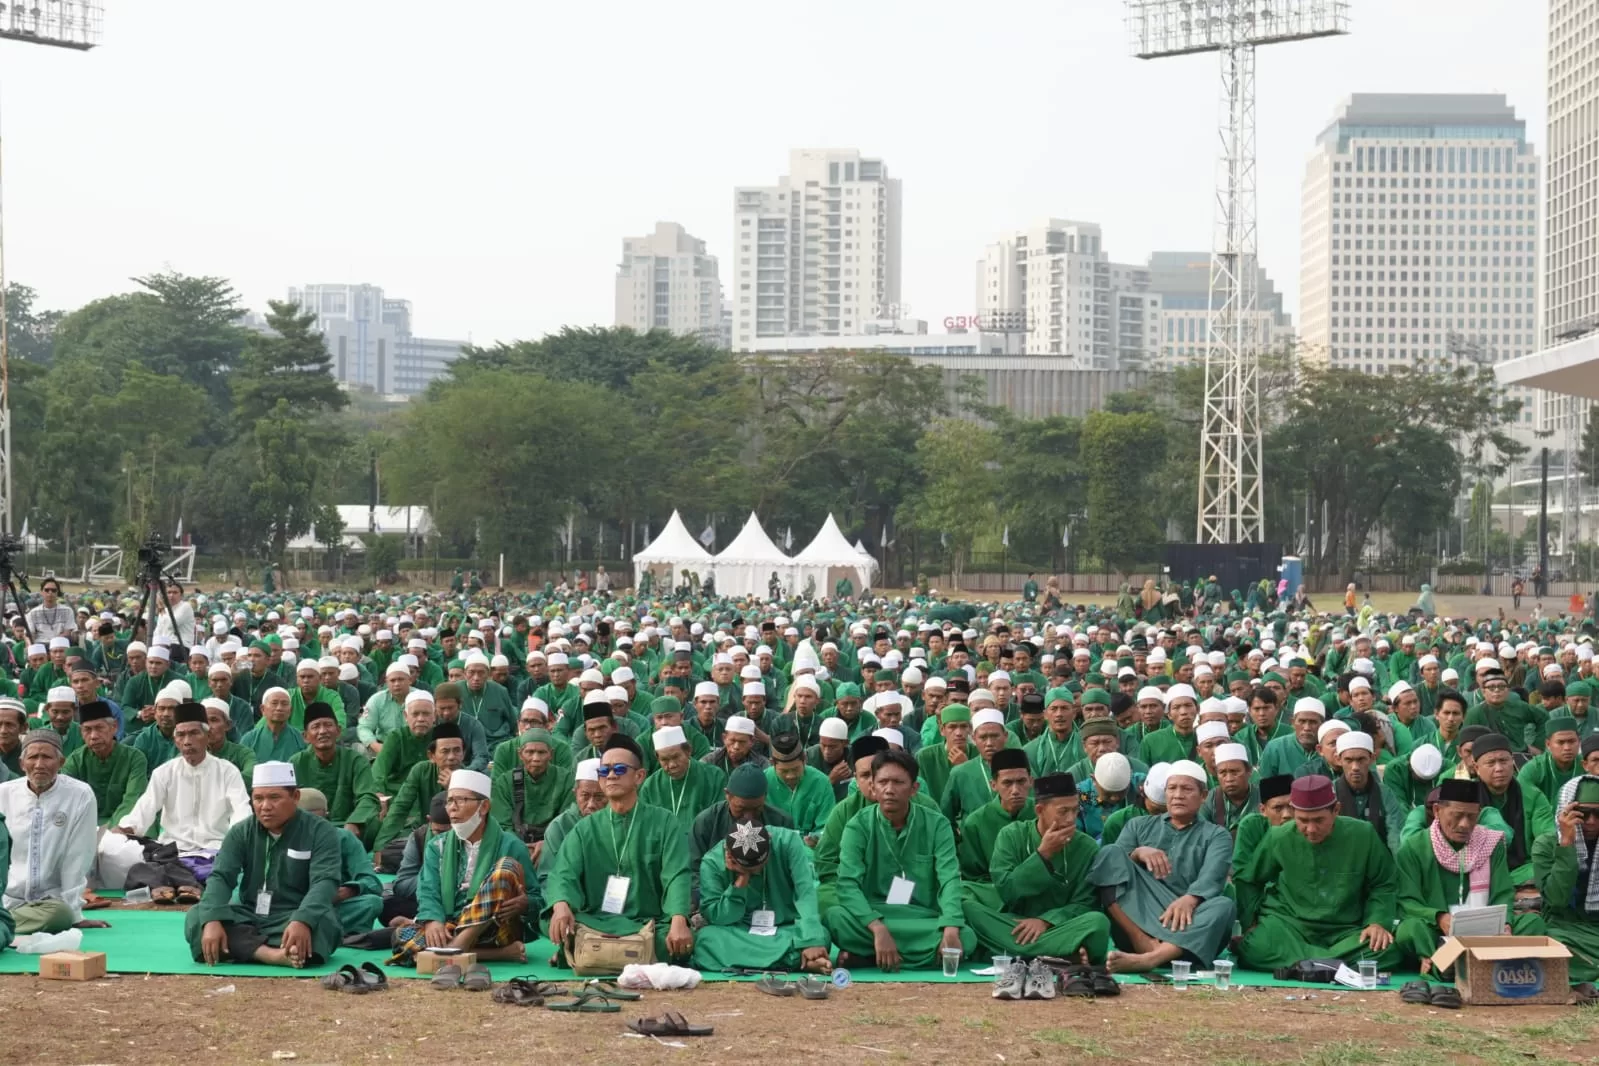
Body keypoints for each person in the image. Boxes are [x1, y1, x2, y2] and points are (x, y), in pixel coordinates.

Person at [545, 736, 695, 963]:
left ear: (639, 776)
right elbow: (564, 873)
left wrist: (678, 919)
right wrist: (561, 905)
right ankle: (629, 954)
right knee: (555, 921)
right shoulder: (584, 828)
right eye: (604, 771)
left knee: (675, 941)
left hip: (648, 922)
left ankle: (585, 953)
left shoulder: (665, 822)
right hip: (597, 919)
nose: (611, 775)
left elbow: (677, 875)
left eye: (619, 769)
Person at [825, 749, 975, 971]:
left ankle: (873, 956)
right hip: (874, 913)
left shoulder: (937, 824)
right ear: (873, 787)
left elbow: (949, 879)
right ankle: (918, 957)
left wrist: (951, 927)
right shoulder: (858, 825)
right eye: (883, 782)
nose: (889, 790)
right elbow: (847, 884)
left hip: (923, 916)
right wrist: (877, 928)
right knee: (835, 918)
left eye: (898, 782)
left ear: (914, 788)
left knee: (966, 936)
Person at [1235, 774, 1402, 971]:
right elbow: (1249, 880)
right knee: (1256, 946)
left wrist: (1376, 922)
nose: (1311, 829)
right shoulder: (1279, 836)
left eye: (1318, 820)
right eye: (1303, 820)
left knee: (1389, 950)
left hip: (1345, 929)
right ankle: (1334, 965)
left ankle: (1306, 964)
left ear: (1336, 810)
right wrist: (1251, 923)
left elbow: (1383, 883)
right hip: (1290, 924)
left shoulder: (1363, 834)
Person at [186, 761, 344, 969]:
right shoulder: (241, 831)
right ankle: (272, 954)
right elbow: (221, 877)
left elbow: (325, 881)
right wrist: (212, 919)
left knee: (325, 923)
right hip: (249, 914)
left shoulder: (320, 831)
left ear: (295, 797)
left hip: (292, 915)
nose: (265, 806)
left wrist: (303, 919)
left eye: (274, 798)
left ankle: (241, 948)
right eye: (258, 798)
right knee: (198, 916)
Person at [1088, 760, 1235, 972]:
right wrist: (1137, 853)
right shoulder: (1138, 826)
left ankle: (1151, 959)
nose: (1178, 795)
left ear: (1203, 796)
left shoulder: (1217, 835)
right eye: (1172, 788)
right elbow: (1110, 869)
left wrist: (1191, 899)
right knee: (1111, 853)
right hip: (1138, 920)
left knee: (1223, 905)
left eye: (1187, 789)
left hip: (1187, 922)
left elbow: (1213, 876)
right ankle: (1142, 943)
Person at [1394, 778, 1545, 972]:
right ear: (1438, 811)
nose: (1465, 824)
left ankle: (1444, 965)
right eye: (1457, 816)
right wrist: (1439, 917)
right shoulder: (1414, 848)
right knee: (1410, 929)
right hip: (1437, 931)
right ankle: (1460, 961)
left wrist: (1506, 924)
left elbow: (1502, 892)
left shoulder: (1491, 843)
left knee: (1533, 923)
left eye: (1472, 816)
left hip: (1487, 931)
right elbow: (1407, 901)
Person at [964, 771, 1111, 964]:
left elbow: (1085, 903)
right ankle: (1057, 954)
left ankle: (1009, 951)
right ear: (1040, 810)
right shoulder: (1011, 835)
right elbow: (1007, 890)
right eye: (1063, 811)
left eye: (1075, 811)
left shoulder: (1087, 847)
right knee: (965, 904)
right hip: (1013, 923)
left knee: (1098, 923)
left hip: (1059, 926)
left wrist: (1045, 921)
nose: (1070, 819)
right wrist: (1043, 855)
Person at [108, 701, 252, 900]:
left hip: (212, 851)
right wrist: (126, 828)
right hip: (171, 851)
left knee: (218, 870)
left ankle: (167, 884)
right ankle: (187, 884)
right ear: (175, 740)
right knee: (138, 866)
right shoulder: (164, 772)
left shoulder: (227, 771)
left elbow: (242, 810)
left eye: (194, 733)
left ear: (208, 736)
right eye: (181, 735)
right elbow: (146, 807)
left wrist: (235, 842)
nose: (187, 741)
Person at [394, 768, 536, 963]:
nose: (452, 807)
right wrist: (433, 920)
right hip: (450, 924)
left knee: (505, 868)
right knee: (401, 938)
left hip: (495, 927)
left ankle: (457, 947)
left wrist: (525, 903)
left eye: (461, 800)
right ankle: (498, 954)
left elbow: (536, 896)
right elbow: (428, 889)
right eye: (450, 801)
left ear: (484, 807)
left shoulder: (511, 845)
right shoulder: (437, 846)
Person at [693, 820, 831, 974]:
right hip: (739, 931)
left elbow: (805, 893)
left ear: (770, 842)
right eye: (750, 868)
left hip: (784, 929)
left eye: (761, 864)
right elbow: (719, 918)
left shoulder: (788, 842)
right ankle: (797, 960)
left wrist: (811, 939)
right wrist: (741, 880)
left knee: (821, 935)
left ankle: (785, 958)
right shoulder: (712, 862)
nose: (757, 871)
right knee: (705, 940)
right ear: (728, 854)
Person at [0, 729, 100, 934]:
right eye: (33, 757)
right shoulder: (4, 794)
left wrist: (74, 913)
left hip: (49, 903)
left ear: (61, 762)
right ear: (21, 764)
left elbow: (78, 857)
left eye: (46, 757)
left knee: (60, 916)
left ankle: (6, 927)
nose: (39, 765)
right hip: (6, 899)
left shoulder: (80, 795)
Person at [1532, 774, 1599, 984]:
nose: (1591, 821)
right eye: (1583, 813)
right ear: (1565, 811)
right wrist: (1567, 842)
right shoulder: (1546, 845)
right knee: (1544, 941)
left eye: (1598, 814)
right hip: (1564, 928)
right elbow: (1556, 899)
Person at [296, 787, 384, 935]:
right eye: (306, 821)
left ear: (327, 816)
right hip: (295, 907)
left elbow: (372, 882)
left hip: (332, 906)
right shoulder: (284, 838)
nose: (313, 827)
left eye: (318, 821)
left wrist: (348, 891)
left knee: (372, 903)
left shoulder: (344, 839)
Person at [1471, 732, 1555, 884]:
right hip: (1480, 868)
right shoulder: (1465, 797)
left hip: (1524, 868)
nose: (1499, 768)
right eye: (1491, 763)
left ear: (1513, 762)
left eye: (1504, 761)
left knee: (1551, 866)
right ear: (1477, 768)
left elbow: (1546, 834)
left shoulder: (1532, 795)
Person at [289, 702, 380, 840]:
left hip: (347, 826)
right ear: (305, 736)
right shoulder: (296, 762)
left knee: (375, 823)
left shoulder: (355, 759)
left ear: (338, 731)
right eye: (316, 726)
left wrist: (354, 822)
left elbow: (367, 796)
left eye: (328, 725)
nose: (323, 731)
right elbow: (287, 800)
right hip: (308, 829)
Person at [488, 728, 573, 863]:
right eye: (530, 752)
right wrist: (519, 847)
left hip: (555, 845)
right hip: (513, 846)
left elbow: (569, 819)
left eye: (541, 752)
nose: (536, 758)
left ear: (551, 754)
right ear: (520, 754)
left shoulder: (566, 779)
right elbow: (501, 824)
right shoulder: (505, 781)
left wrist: (547, 844)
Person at [62, 700, 148, 828]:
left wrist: (111, 830)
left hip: (124, 823)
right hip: (85, 825)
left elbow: (132, 800)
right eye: (87, 730)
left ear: (114, 727)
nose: (93, 736)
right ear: (81, 732)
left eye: (99, 728)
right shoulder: (74, 761)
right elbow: (67, 801)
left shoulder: (134, 758)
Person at [639, 725, 727, 837]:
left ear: (688, 751)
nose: (672, 765)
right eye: (664, 760)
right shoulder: (650, 786)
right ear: (657, 757)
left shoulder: (714, 776)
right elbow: (647, 827)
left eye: (676, 757)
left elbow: (720, 820)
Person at [764, 730, 837, 845]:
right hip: (773, 845)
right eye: (784, 771)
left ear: (804, 760)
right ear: (772, 763)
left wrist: (816, 838)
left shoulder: (821, 782)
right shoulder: (764, 781)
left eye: (795, 769)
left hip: (809, 848)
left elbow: (827, 826)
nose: (791, 776)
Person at [24, 578, 75, 644]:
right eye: (47, 590)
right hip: (40, 645)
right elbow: (30, 634)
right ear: (41, 592)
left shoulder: (68, 611)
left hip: (60, 645)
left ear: (57, 592)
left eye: (53, 590)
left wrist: (53, 643)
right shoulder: (32, 613)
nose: (50, 592)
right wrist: (31, 647)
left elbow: (67, 633)